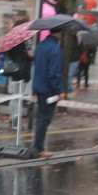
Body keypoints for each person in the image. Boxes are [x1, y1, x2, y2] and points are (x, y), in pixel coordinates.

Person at [32, 27, 66, 157]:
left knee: (40, 117)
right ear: (60, 32)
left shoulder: (41, 46)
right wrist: (59, 91)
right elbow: (54, 73)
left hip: (39, 87)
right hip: (49, 89)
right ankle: (39, 148)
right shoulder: (56, 50)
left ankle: (38, 146)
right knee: (45, 119)